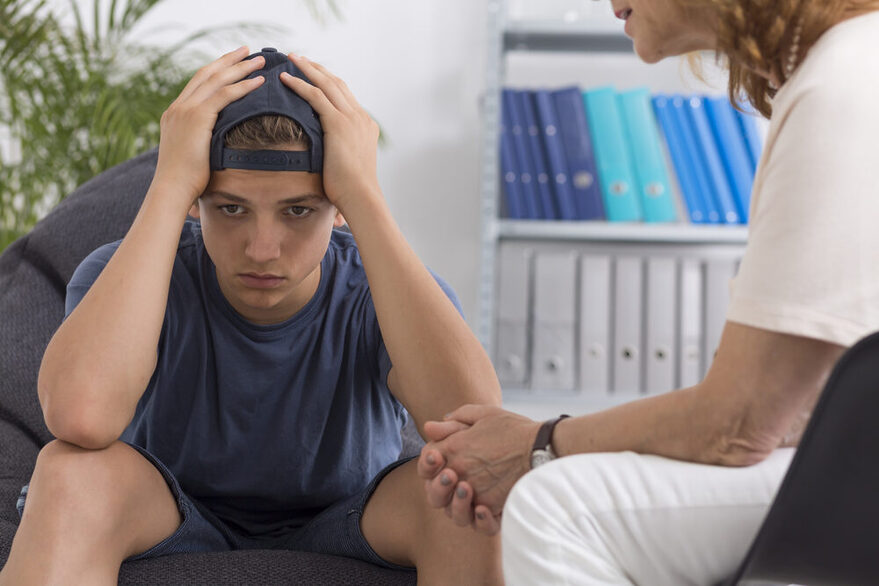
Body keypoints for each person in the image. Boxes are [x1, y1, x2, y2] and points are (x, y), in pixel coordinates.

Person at [0, 47, 504, 584]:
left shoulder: (380, 287)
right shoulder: (129, 272)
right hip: (171, 508)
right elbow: (81, 417)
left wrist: (364, 193)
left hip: (353, 516)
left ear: (337, 209)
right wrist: (170, 182)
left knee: (463, 491)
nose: (262, 249)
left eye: (298, 211)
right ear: (199, 200)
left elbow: (477, 427)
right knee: (69, 472)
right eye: (232, 208)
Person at [417, 1, 879, 584]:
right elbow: (785, 407)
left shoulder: (841, 83)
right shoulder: (849, 65)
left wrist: (537, 446)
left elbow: (739, 427)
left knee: (559, 505)